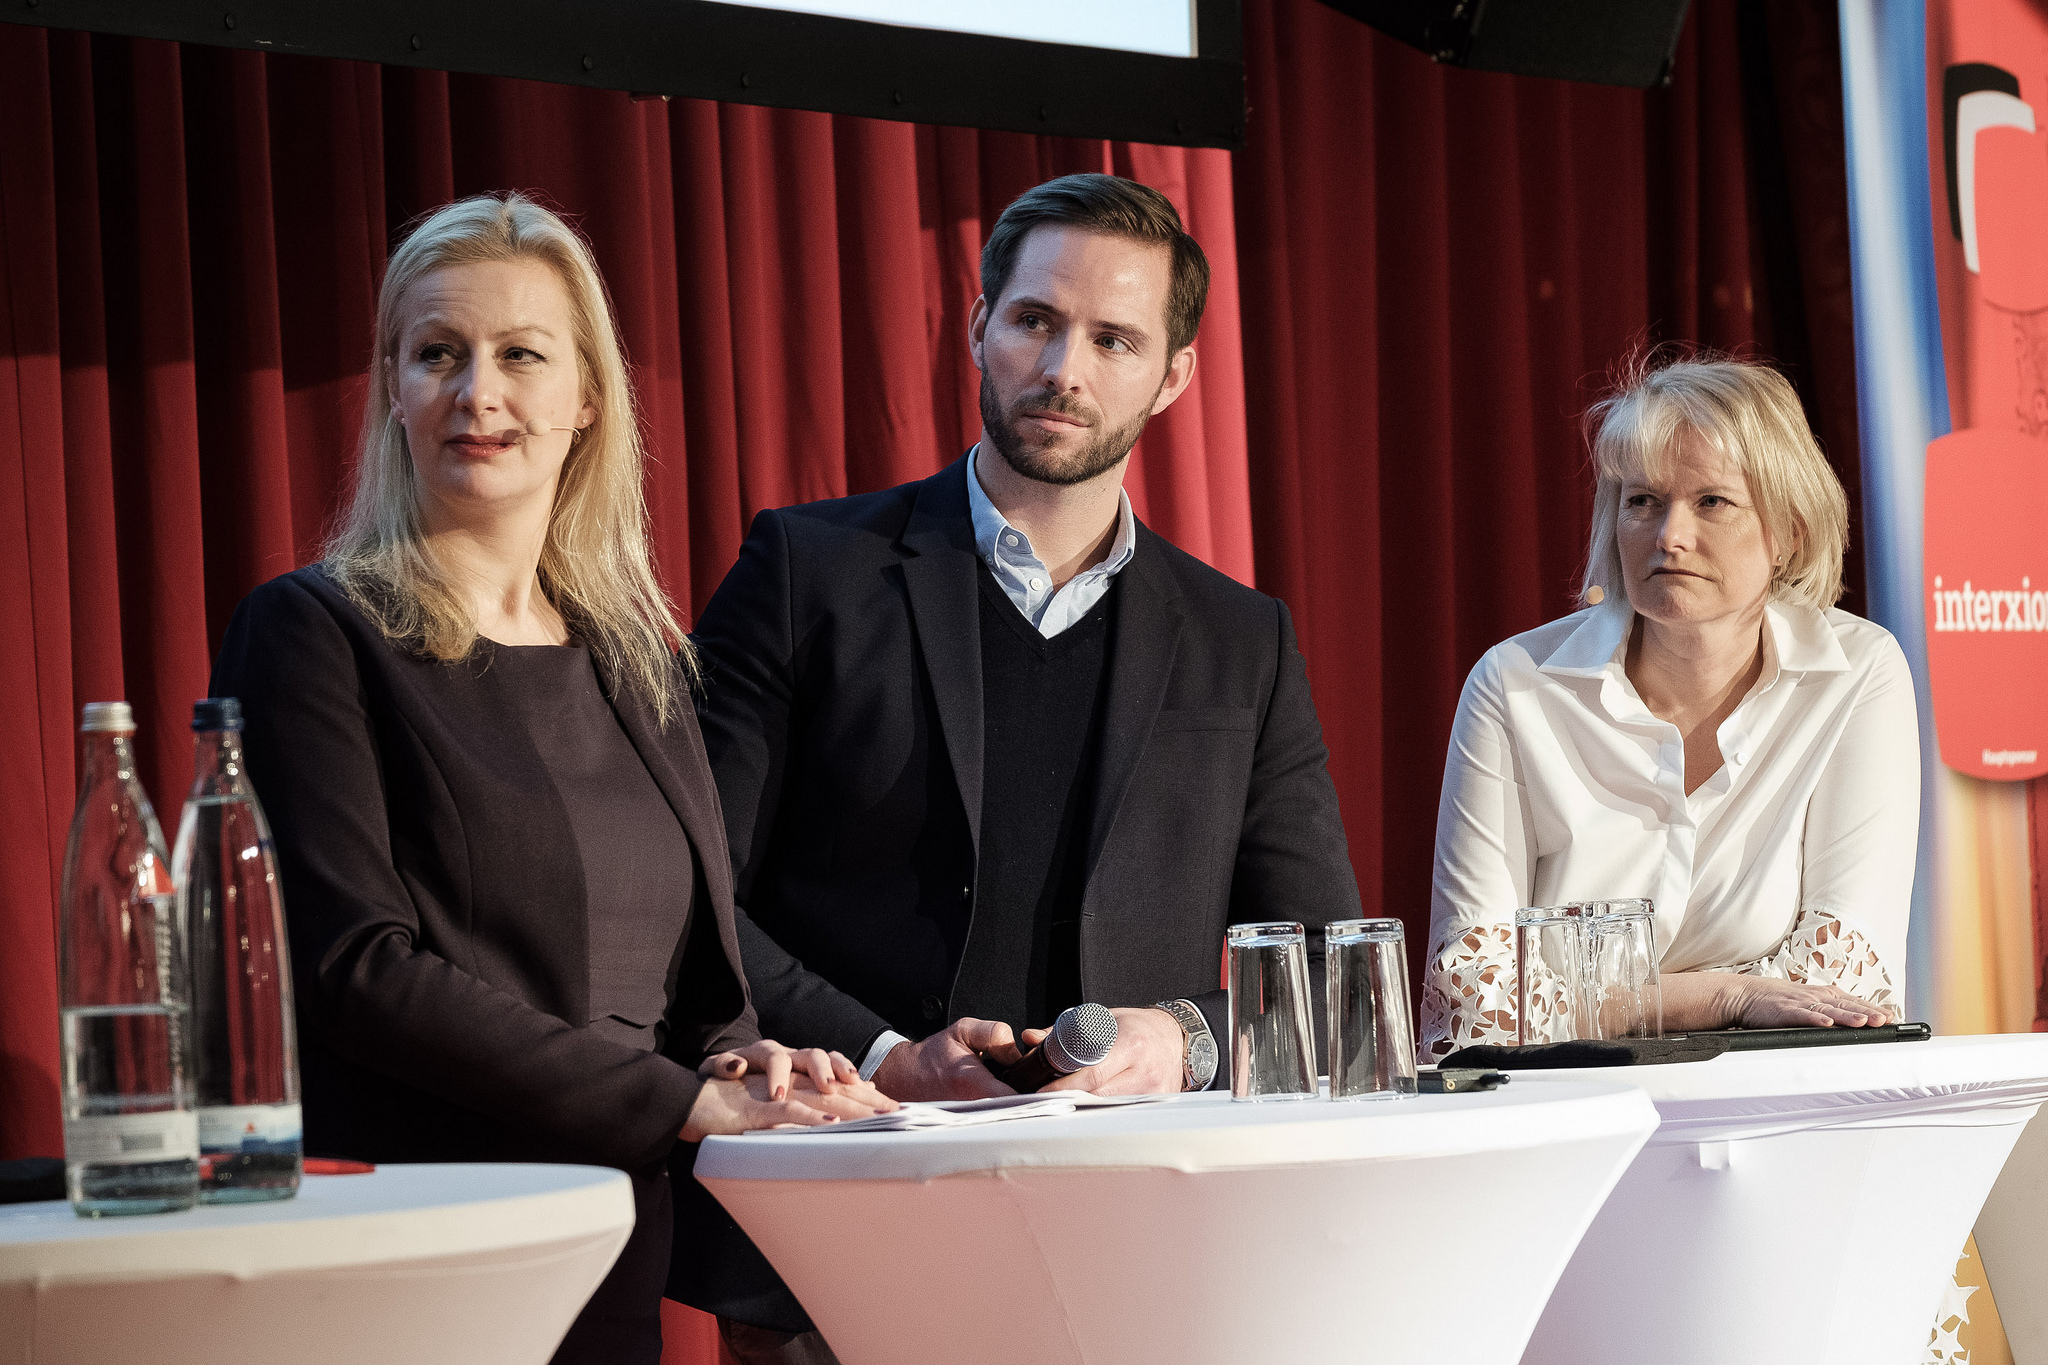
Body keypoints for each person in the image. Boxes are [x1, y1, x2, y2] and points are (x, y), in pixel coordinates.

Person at [670, 172, 1363, 1361]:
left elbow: (1320, 970)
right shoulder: (804, 572)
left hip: (1139, 1242)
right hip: (846, 1218)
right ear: (977, 324)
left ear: (1174, 374)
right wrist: (885, 1058)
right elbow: (689, 897)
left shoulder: (1241, 639)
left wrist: (1179, 1040)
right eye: (1035, 320)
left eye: (1112, 339)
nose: (1062, 368)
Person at [209, 193, 893, 1365]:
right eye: (438, 354)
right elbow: (351, 968)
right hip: (420, 1239)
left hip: (611, 1235)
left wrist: (743, 1060)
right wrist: (680, 1102)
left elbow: (691, 971)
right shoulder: (310, 633)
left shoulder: (638, 659)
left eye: (520, 355)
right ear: (393, 389)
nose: (476, 393)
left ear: (586, 398)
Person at [1422, 353, 1917, 1060]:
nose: (1669, 536)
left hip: (1775, 1099)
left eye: (1711, 501)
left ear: (1791, 532)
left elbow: (1844, 987)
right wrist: (1724, 997)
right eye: (1643, 501)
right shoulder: (1513, 685)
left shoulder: (1857, 672)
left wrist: (1593, 1003)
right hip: (1570, 1105)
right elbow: (1472, 1007)